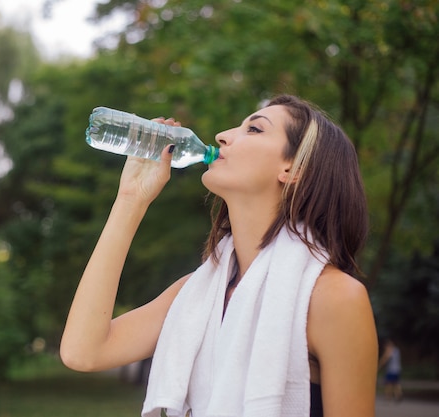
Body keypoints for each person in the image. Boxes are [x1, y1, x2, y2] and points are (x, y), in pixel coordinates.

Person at [60, 95, 378, 417]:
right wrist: (131, 199)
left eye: (254, 129)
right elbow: (83, 351)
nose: (222, 136)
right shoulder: (197, 294)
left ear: (293, 168)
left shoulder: (336, 299)